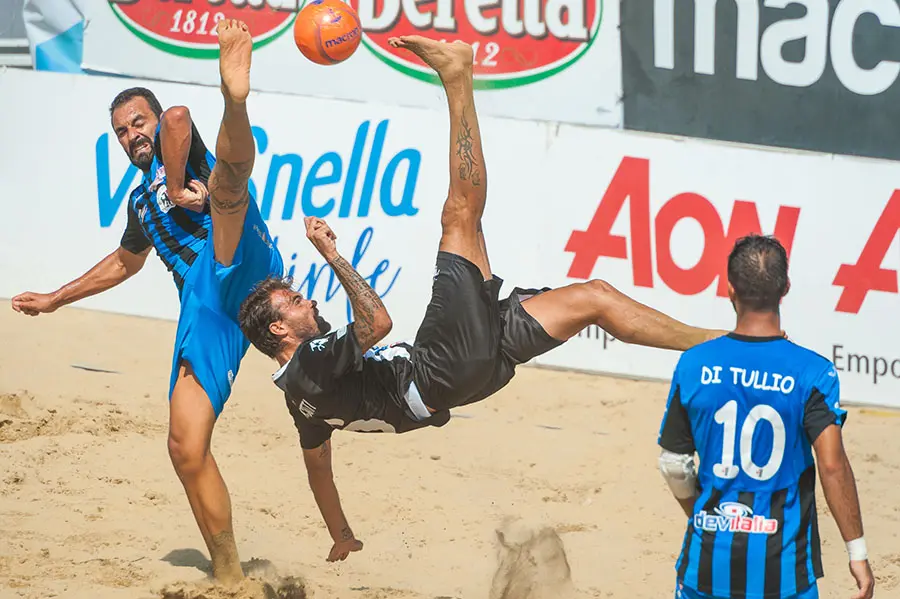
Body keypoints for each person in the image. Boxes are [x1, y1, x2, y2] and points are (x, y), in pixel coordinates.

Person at [236, 35, 727, 563]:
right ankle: (456, 76)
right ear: (278, 331)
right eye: (292, 300)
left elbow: (318, 469)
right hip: (440, 367)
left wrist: (340, 533)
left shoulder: (299, 397)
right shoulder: (311, 361)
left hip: (463, 379)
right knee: (460, 215)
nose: (305, 299)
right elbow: (376, 322)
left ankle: (722, 344)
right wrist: (331, 253)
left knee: (595, 297)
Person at [10, 19, 283, 585]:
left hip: (239, 259)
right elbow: (125, 263)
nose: (132, 133)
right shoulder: (140, 203)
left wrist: (182, 184)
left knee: (228, 189)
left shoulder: (175, 151)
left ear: (154, 123)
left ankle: (236, 100)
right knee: (185, 448)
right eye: (121, 131)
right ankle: (230, 575)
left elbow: (180, 119)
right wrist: (56, 299)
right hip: (208, 308)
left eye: (139, 121)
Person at [656, 234, 875, 599]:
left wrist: (701, 514)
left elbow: (674, 464)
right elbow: (832, 466)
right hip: (783, 573)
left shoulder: (694, 363)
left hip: (705, 567)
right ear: (785, 288)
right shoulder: (813, 373)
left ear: (729, 290)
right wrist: (858, 553)